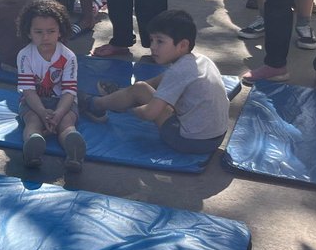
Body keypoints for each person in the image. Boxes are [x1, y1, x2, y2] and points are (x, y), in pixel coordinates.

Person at [82, 10, 229, 155]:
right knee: (143, 88)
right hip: (217, 137)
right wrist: (131, 94)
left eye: (160, 41)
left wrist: (129, 108)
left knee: (140, 89)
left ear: (183, 45)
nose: (152, 46)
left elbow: (149, 114)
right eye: (152, 40)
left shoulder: (178, 71)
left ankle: (95, 105)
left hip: (189, 141)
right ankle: (122, 96)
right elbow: (164, 80)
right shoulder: (201, 60)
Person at [16, 0, 84, 169]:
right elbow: (29, 91)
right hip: (33, 102)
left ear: (60, 32)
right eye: (38, 32)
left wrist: (59, 113)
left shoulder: (68, 56)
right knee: (32, 120)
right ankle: (33, 146)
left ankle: (73, 150)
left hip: (63, 102)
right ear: (29, 32)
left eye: (51, 31)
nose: (45, 37)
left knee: (66, 123)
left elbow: (69, 91)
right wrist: (41, 112)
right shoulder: (25, 55)